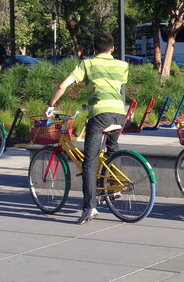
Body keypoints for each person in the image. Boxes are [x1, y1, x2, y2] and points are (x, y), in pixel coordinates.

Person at [44, 32, 128, 225]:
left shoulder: (88, 63)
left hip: (100, 114)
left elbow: (63, 85)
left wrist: (51, 104)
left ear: (94, 49)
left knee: (89, 162)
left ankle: (89, 207)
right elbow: (114, 87)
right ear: (113, 48)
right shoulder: (123, 65)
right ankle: (112, 187)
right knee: (112, 150)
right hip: (119, 114)